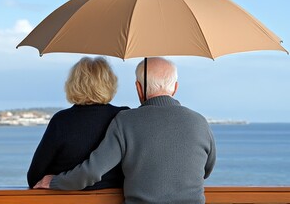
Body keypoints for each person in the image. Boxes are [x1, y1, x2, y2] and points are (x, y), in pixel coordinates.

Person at [34, 57, 216, 204]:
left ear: (138, 88)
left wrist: (55, 181)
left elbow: (91, 172)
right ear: (175, 88)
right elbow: (206, 170)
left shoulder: (126, 121)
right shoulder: (200, 122)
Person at [27, 56, 129, 190]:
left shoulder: (62, 121)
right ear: (110, 83)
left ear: (73, 83)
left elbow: (35, 177)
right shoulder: (124, 116)